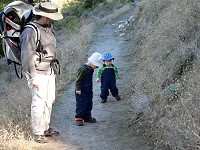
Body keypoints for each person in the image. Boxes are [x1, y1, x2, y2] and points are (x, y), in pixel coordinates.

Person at [20, 2, 63, 143]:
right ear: (44, 16)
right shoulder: (30, 31)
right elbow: (26, 56)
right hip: (36, 72)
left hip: (49, 70)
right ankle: (38, 133)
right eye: (51, 17)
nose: (52, 20)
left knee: (49, 100)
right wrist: (33, 78)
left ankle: (45, 128)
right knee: (38, 102)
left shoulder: (48, 27)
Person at [75, 52, 102, 126]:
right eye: (96, 66)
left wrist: (91, 90)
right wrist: (78, 89)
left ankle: (87, 117)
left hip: (88, 90)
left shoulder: (91, 69)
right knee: (81, 104)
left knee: (89, 103)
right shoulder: (83, 69)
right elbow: (78, 80)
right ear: (92, 62)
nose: (97, 67)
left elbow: (89, 81)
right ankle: (79, 117)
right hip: (81, 91)